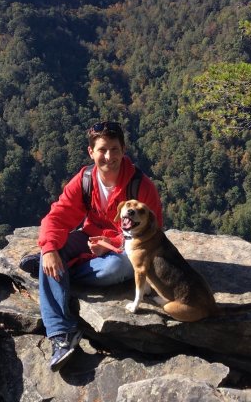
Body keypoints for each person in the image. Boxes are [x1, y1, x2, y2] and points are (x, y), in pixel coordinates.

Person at [20, 121, 163, 371]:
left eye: (115, 149)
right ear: (91, 152)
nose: (109, 156)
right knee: (52, 250)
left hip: (125, 250)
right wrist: (50, 249)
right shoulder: (86, 179)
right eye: (102, 150)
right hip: (88, 237)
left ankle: (54, 273)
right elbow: (57, 216)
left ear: (123, 150)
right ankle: (62, 334)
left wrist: (114, 244)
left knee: (114, 269)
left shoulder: (140, 186)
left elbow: (153, 233)